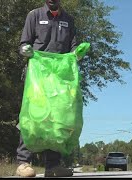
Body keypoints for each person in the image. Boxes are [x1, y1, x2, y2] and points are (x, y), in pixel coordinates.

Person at [16, 0, 82, 177]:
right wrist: (26, 50)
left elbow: (73, 46)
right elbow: (23, 44)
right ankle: (23, 162)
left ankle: (52, 166)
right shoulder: (34, 15)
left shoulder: (69, 20)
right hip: (37, 75)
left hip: (60, 77)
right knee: (32, 115)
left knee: (56, 119)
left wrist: (78, 53)